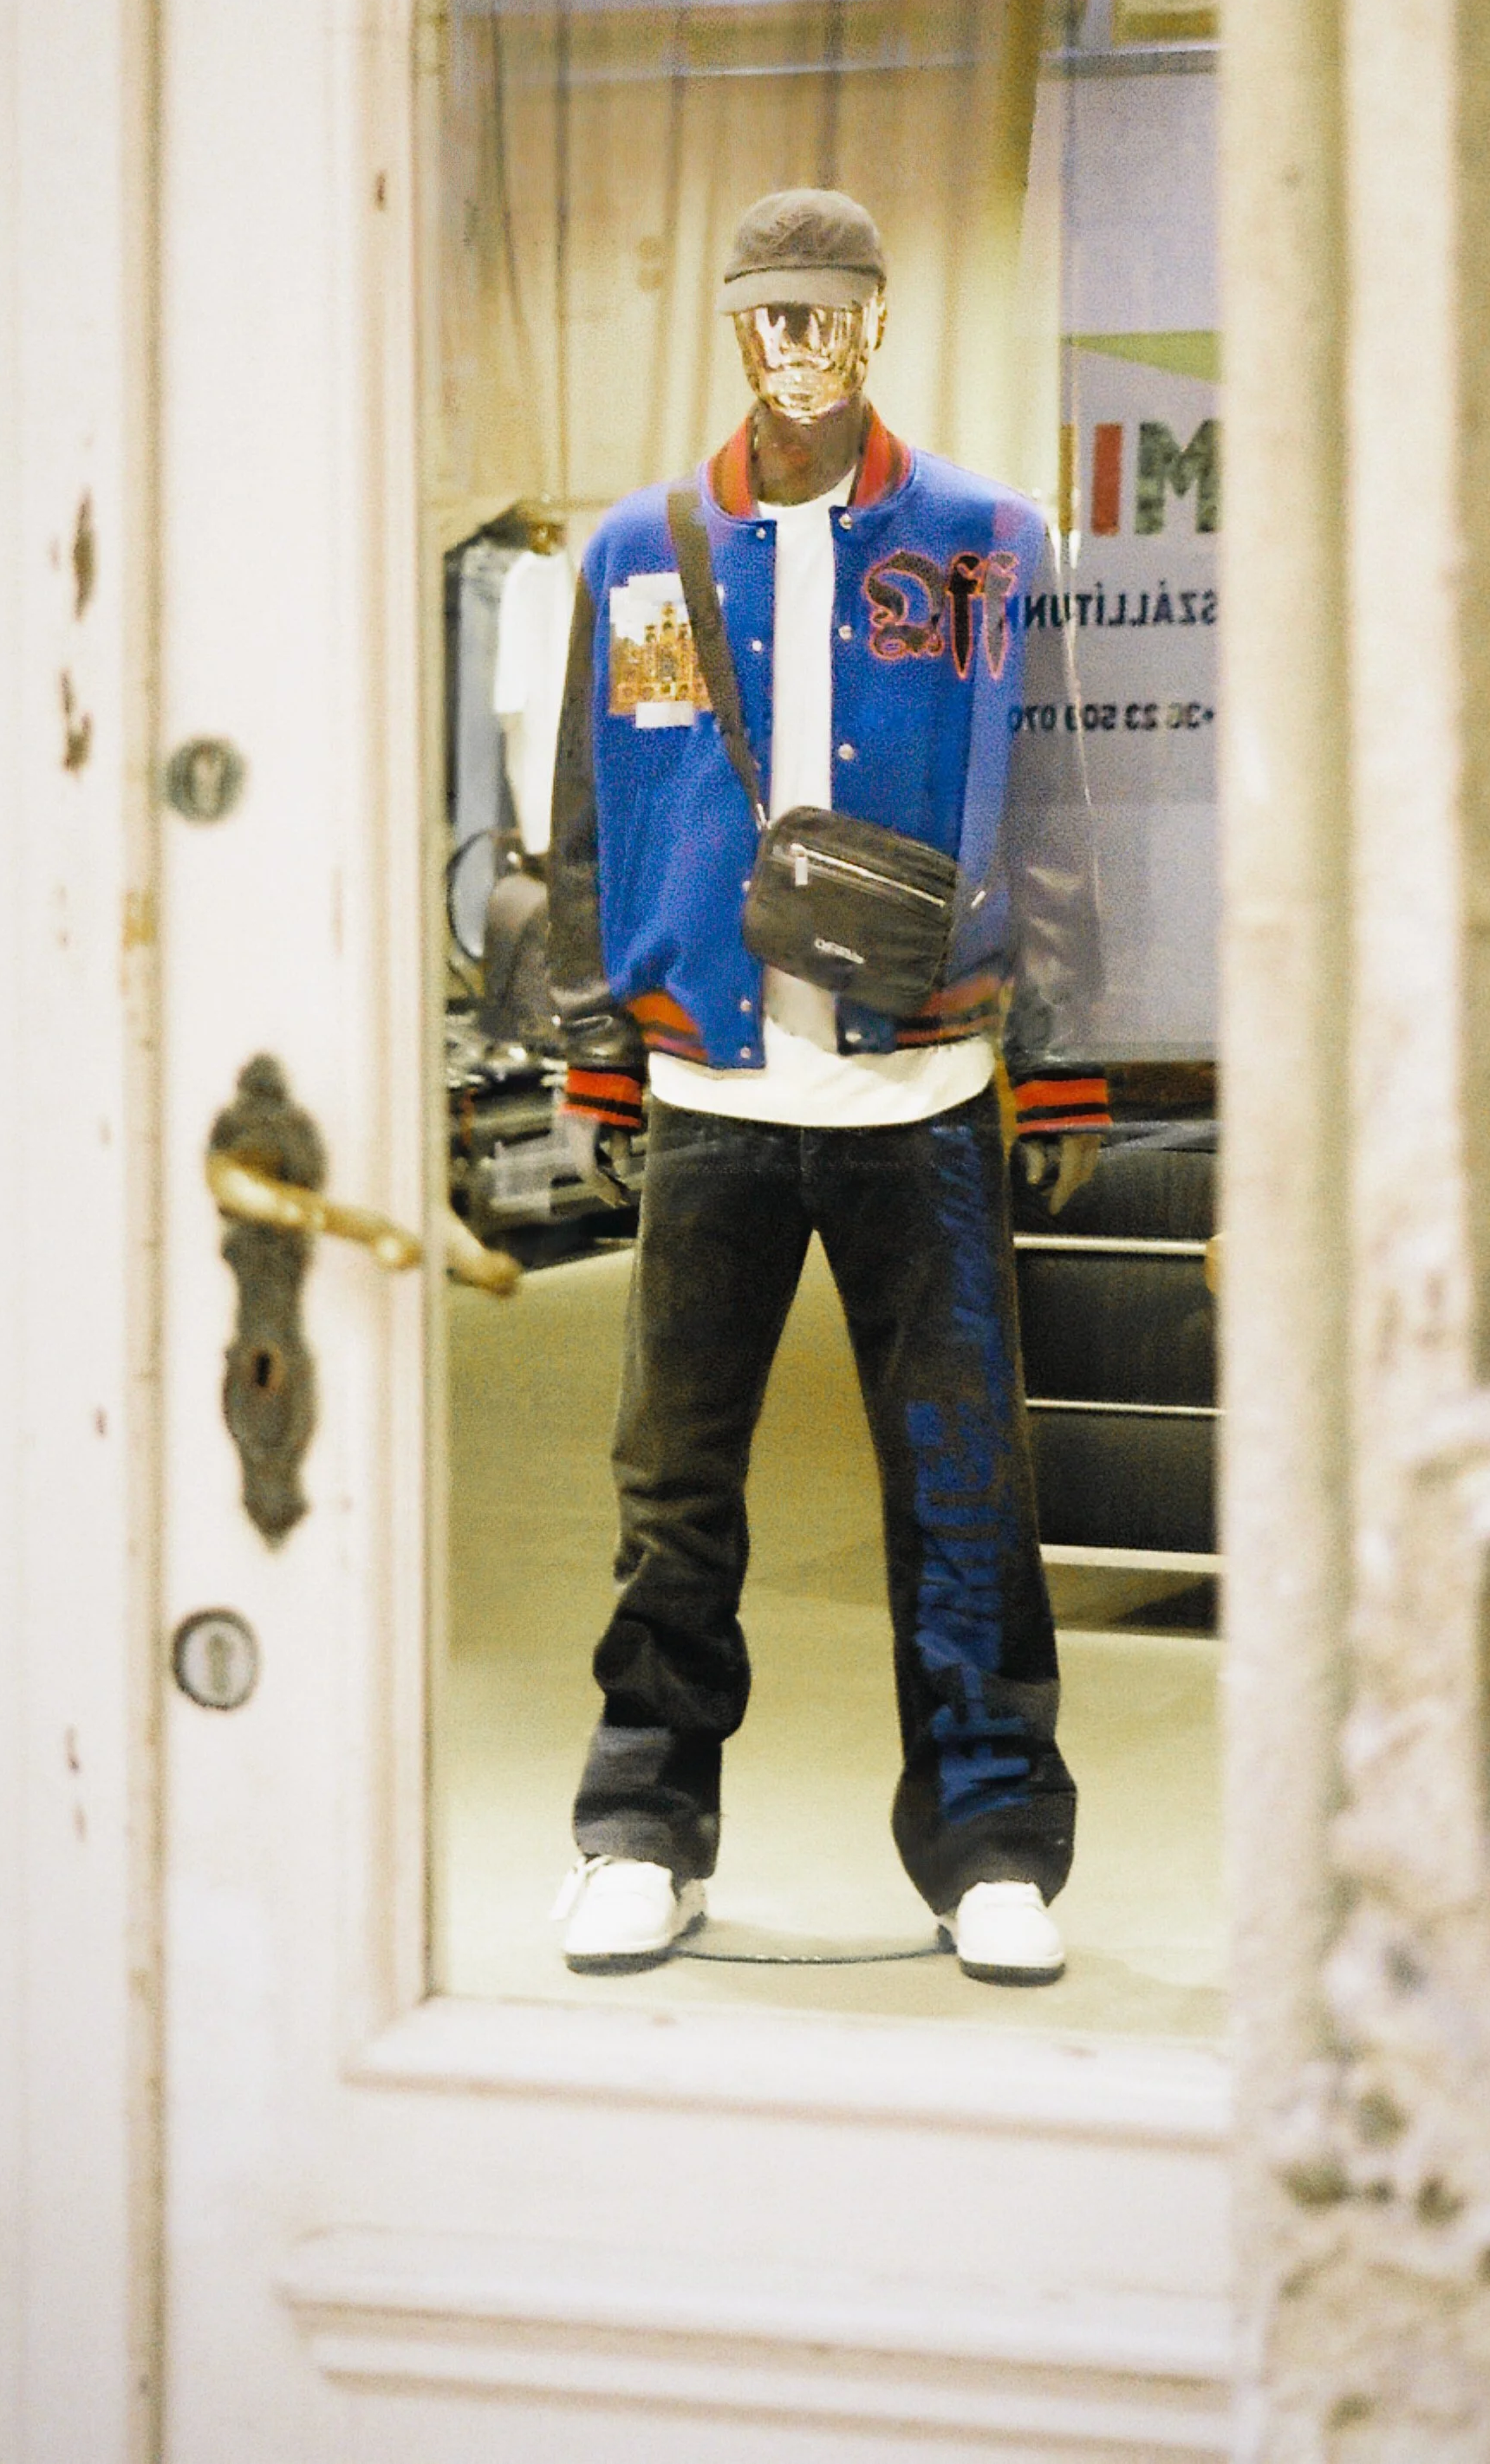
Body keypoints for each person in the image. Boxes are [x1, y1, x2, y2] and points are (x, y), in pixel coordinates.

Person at [548, 188, 1105, 1986]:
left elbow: (1051, 799)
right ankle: (642, 1829)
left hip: (919, 1083)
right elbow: (590, 808)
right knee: (672, 1489)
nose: (795, 343)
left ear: (876, 321)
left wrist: (1061, 1063)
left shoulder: (987, 543)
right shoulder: (637, 548)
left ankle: (992, 1844)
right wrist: (596, 1050)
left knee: (964, 1488)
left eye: (825, 310)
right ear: (732, 326)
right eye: (766, 312)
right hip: (711, 1085)